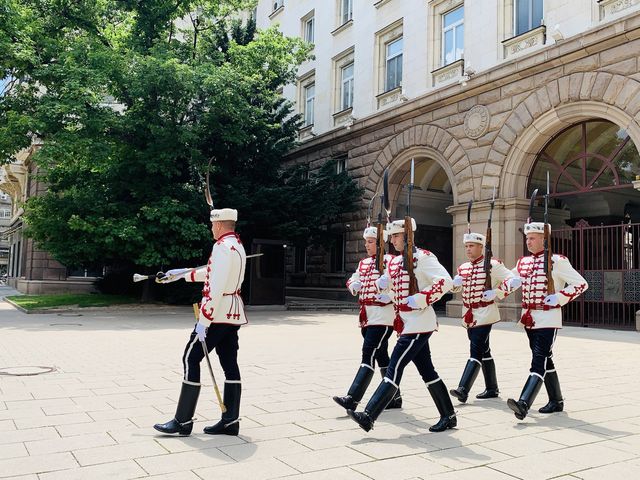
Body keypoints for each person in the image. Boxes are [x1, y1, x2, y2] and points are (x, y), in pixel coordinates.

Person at [347, 218, 456, 433]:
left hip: (419, 322)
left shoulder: (423, 258)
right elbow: (394, 294)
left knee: (395, 367)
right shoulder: (395, 262)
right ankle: (449, 415)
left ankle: (369, 415)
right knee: (428, 371)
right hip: (404, 323)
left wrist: (423, 298)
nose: (393, 239)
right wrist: (383, 287)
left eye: (396, 235)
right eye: (392, 236)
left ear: (408, 236)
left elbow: (446, 281)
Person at [154, 208, 247, 436]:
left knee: (190, 357)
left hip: (216, 315)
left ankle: (183, 421)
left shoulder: (221, 248)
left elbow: (215, 287)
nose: (211, 229)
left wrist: (204, 320)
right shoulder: (236, 246)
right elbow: (214, 273)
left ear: (219, 225)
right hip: (232, 314)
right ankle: (230, 420)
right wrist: (182, 274)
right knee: (229, 363)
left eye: (212, 225)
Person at [507, 221, 588, 420]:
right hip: (529, 318)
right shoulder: (522, 262)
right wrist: (503, 287)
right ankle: (556, 401)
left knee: (539, 359)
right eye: (527, 238)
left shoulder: (557, 261)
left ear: (544, 239)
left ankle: (524, 402)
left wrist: (559, 297)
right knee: (546, 359)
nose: (528, 241)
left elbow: (581, 284)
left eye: (532, 238)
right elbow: (509, 280)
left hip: (548, 317)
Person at [333, 226, 402, 412]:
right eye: (366, 242)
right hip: (367, 316)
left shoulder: (391, 261)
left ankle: (352, 398)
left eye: (370, 242)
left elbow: (403, 281)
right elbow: (352, 279)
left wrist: (391, 295)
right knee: (381, 356)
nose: (366, 245)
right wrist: (353, 284)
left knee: (368, 353)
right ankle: (395, 397)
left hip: (383, 316)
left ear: (381, 244)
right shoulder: (363, 263)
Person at [449, 232, 518, 403]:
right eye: (466, 246)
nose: (468, 249)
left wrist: (496, 292)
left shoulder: (493, 265)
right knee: (484, 350)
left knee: (476, 349)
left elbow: (513, 280)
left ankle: (463, 389)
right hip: (469, 314)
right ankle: (492, 388)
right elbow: (457, 290)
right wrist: (455, 285)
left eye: (471, 246)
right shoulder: (463, 267)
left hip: (485, 313)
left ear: (481, 247)